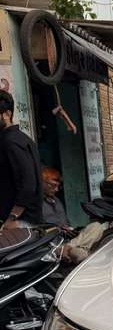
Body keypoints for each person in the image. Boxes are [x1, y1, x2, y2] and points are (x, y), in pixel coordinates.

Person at [0, 90, 43, 230]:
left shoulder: (10, 142)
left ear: (7, 114)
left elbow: (28, 183)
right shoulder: (23, 139)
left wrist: (12, 218)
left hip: (18, 224)